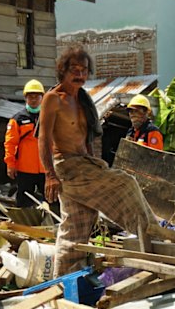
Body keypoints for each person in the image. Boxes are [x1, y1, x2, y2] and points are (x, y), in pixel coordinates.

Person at [38, 45, 157, 277]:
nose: (79, 75)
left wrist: (94, 161)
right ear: (63, 70)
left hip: (85, 164)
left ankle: (61, 284)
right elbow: (42, 138)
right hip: (69, 167)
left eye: (83, 70)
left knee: (75, 228)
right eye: (74, 69)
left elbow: (88, 137)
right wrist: (49, 175)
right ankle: (153, 237)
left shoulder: (82, 100)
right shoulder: (53, 99)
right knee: (125, 183)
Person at [4, 79, 46, 207]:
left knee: (51, 199)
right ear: (25, 98)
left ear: (42, 98)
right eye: (30, 96)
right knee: (24, 201)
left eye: (37, 96)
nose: (33, 99)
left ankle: (51, 225)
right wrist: (10, 164)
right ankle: (24, 225)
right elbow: (10, 143)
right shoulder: (17, 119)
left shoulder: (49, 117)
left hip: (46, 167)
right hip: (25, 168)